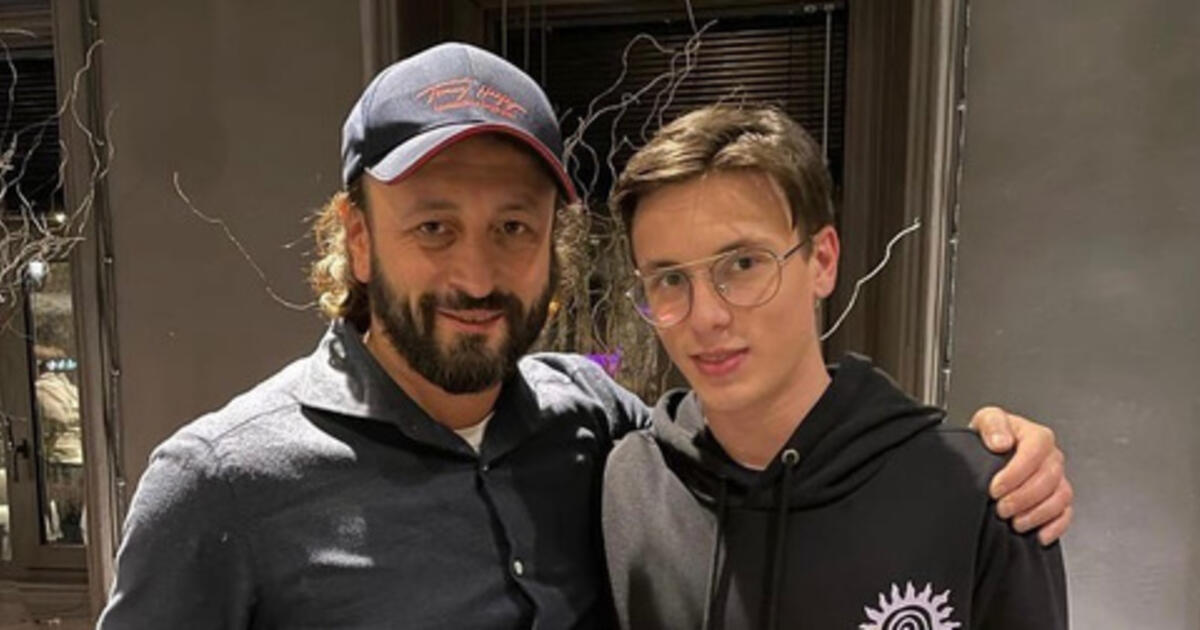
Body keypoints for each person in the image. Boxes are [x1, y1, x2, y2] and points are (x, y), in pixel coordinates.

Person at [99, 43, 1071, 629]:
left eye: (513, 228)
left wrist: (972, 456)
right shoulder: (218, 486)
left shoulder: (595, 424)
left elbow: (767, 431)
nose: (477, 274)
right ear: (357, 238)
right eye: (432, 226)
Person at [602, 104, 1068, 629]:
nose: (706, 316)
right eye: (669, 279)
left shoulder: (984, 496)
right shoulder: (629, 487)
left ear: (822, 261)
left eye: (744, 264)